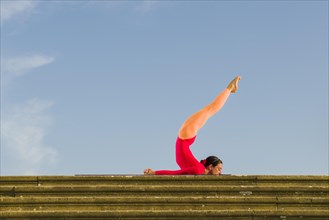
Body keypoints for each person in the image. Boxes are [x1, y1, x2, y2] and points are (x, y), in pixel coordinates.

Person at [144, 76, 241, 175]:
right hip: (186, 137)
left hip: (185, 138)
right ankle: (229, 88)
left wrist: (155, 172)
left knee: (210, 110)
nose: (220, 173)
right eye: (219, 169)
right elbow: (176, 173)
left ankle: (230, 89)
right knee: (210, 109)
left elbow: (178, 173)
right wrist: (154, 172)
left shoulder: (199, 170)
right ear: (210, 166)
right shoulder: (199, 170)